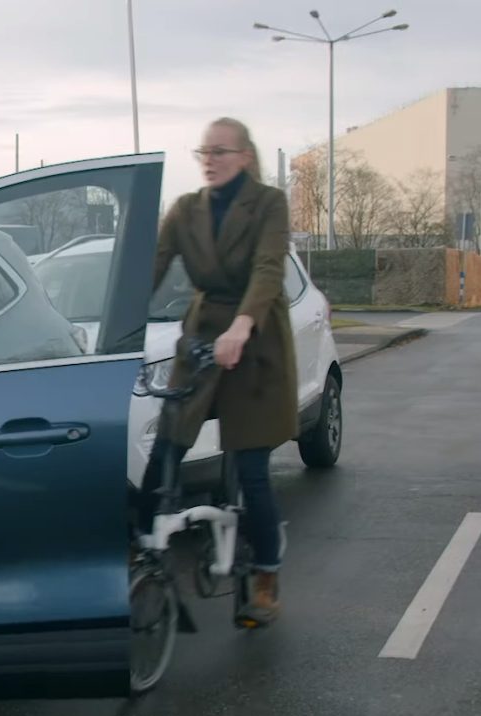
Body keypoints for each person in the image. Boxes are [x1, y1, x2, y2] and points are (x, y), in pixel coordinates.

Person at [136, 117, 297, 627]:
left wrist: (243, 325)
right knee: (166, 452)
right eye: (204, 151)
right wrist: (114, 329)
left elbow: (269, 268)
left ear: (246, 156)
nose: (210, 159)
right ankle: (144, 554)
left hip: (256, 341)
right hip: (202, 337)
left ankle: (267, 574)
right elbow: (152, 268)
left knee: (251, 470)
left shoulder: (268, 203)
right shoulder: (185, 211)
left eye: (221, 151)